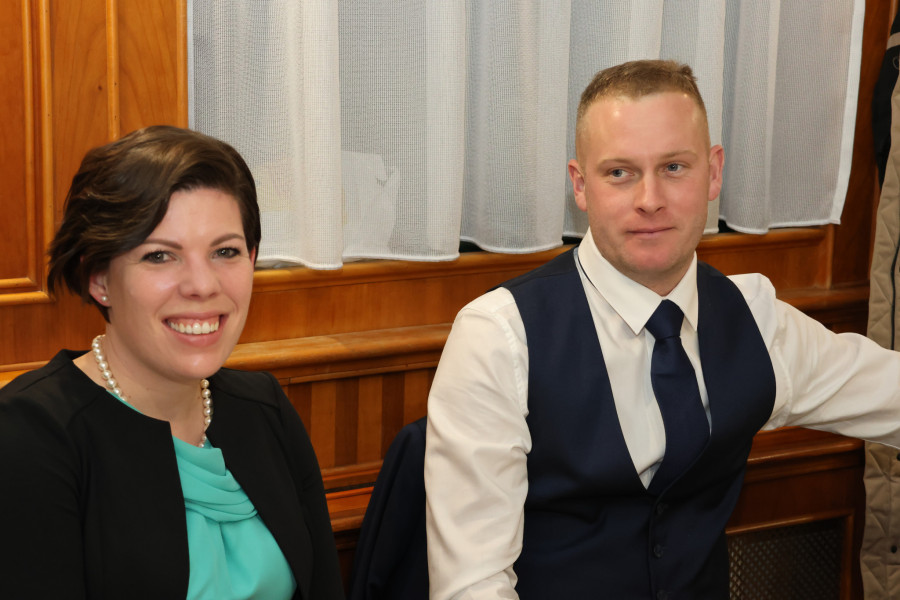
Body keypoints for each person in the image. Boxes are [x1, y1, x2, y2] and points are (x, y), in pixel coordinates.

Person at [424, 59, 900, 599]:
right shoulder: (499, 336)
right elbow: (472, 586)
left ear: (713, 172)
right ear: (580, 185)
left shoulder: (755, 319)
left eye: (674, 167)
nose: (649, 199)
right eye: (619, 172)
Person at [0, 126, 345, 599]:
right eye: (160, 256)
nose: (202, 285)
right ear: (98, 278)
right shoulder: (28, 435)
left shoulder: (264, 408)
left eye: (225, 252)